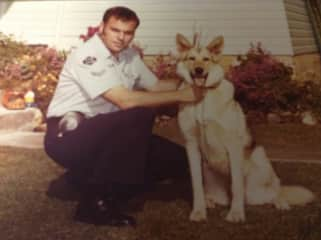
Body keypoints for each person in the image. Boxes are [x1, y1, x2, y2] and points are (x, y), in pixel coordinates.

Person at [44, 6, 205, 227]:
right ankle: (94, 204)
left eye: (128, 32)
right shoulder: (88, 55)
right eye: (115, 30)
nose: (121, 37)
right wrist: (183, 95)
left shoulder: (128, 56)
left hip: (105, 135)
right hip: (67, 136)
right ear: (102, 28)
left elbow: (156, 85)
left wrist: (195, 81)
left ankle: (80, 178)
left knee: (177, 159)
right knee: (138, 115)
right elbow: (125, 100)